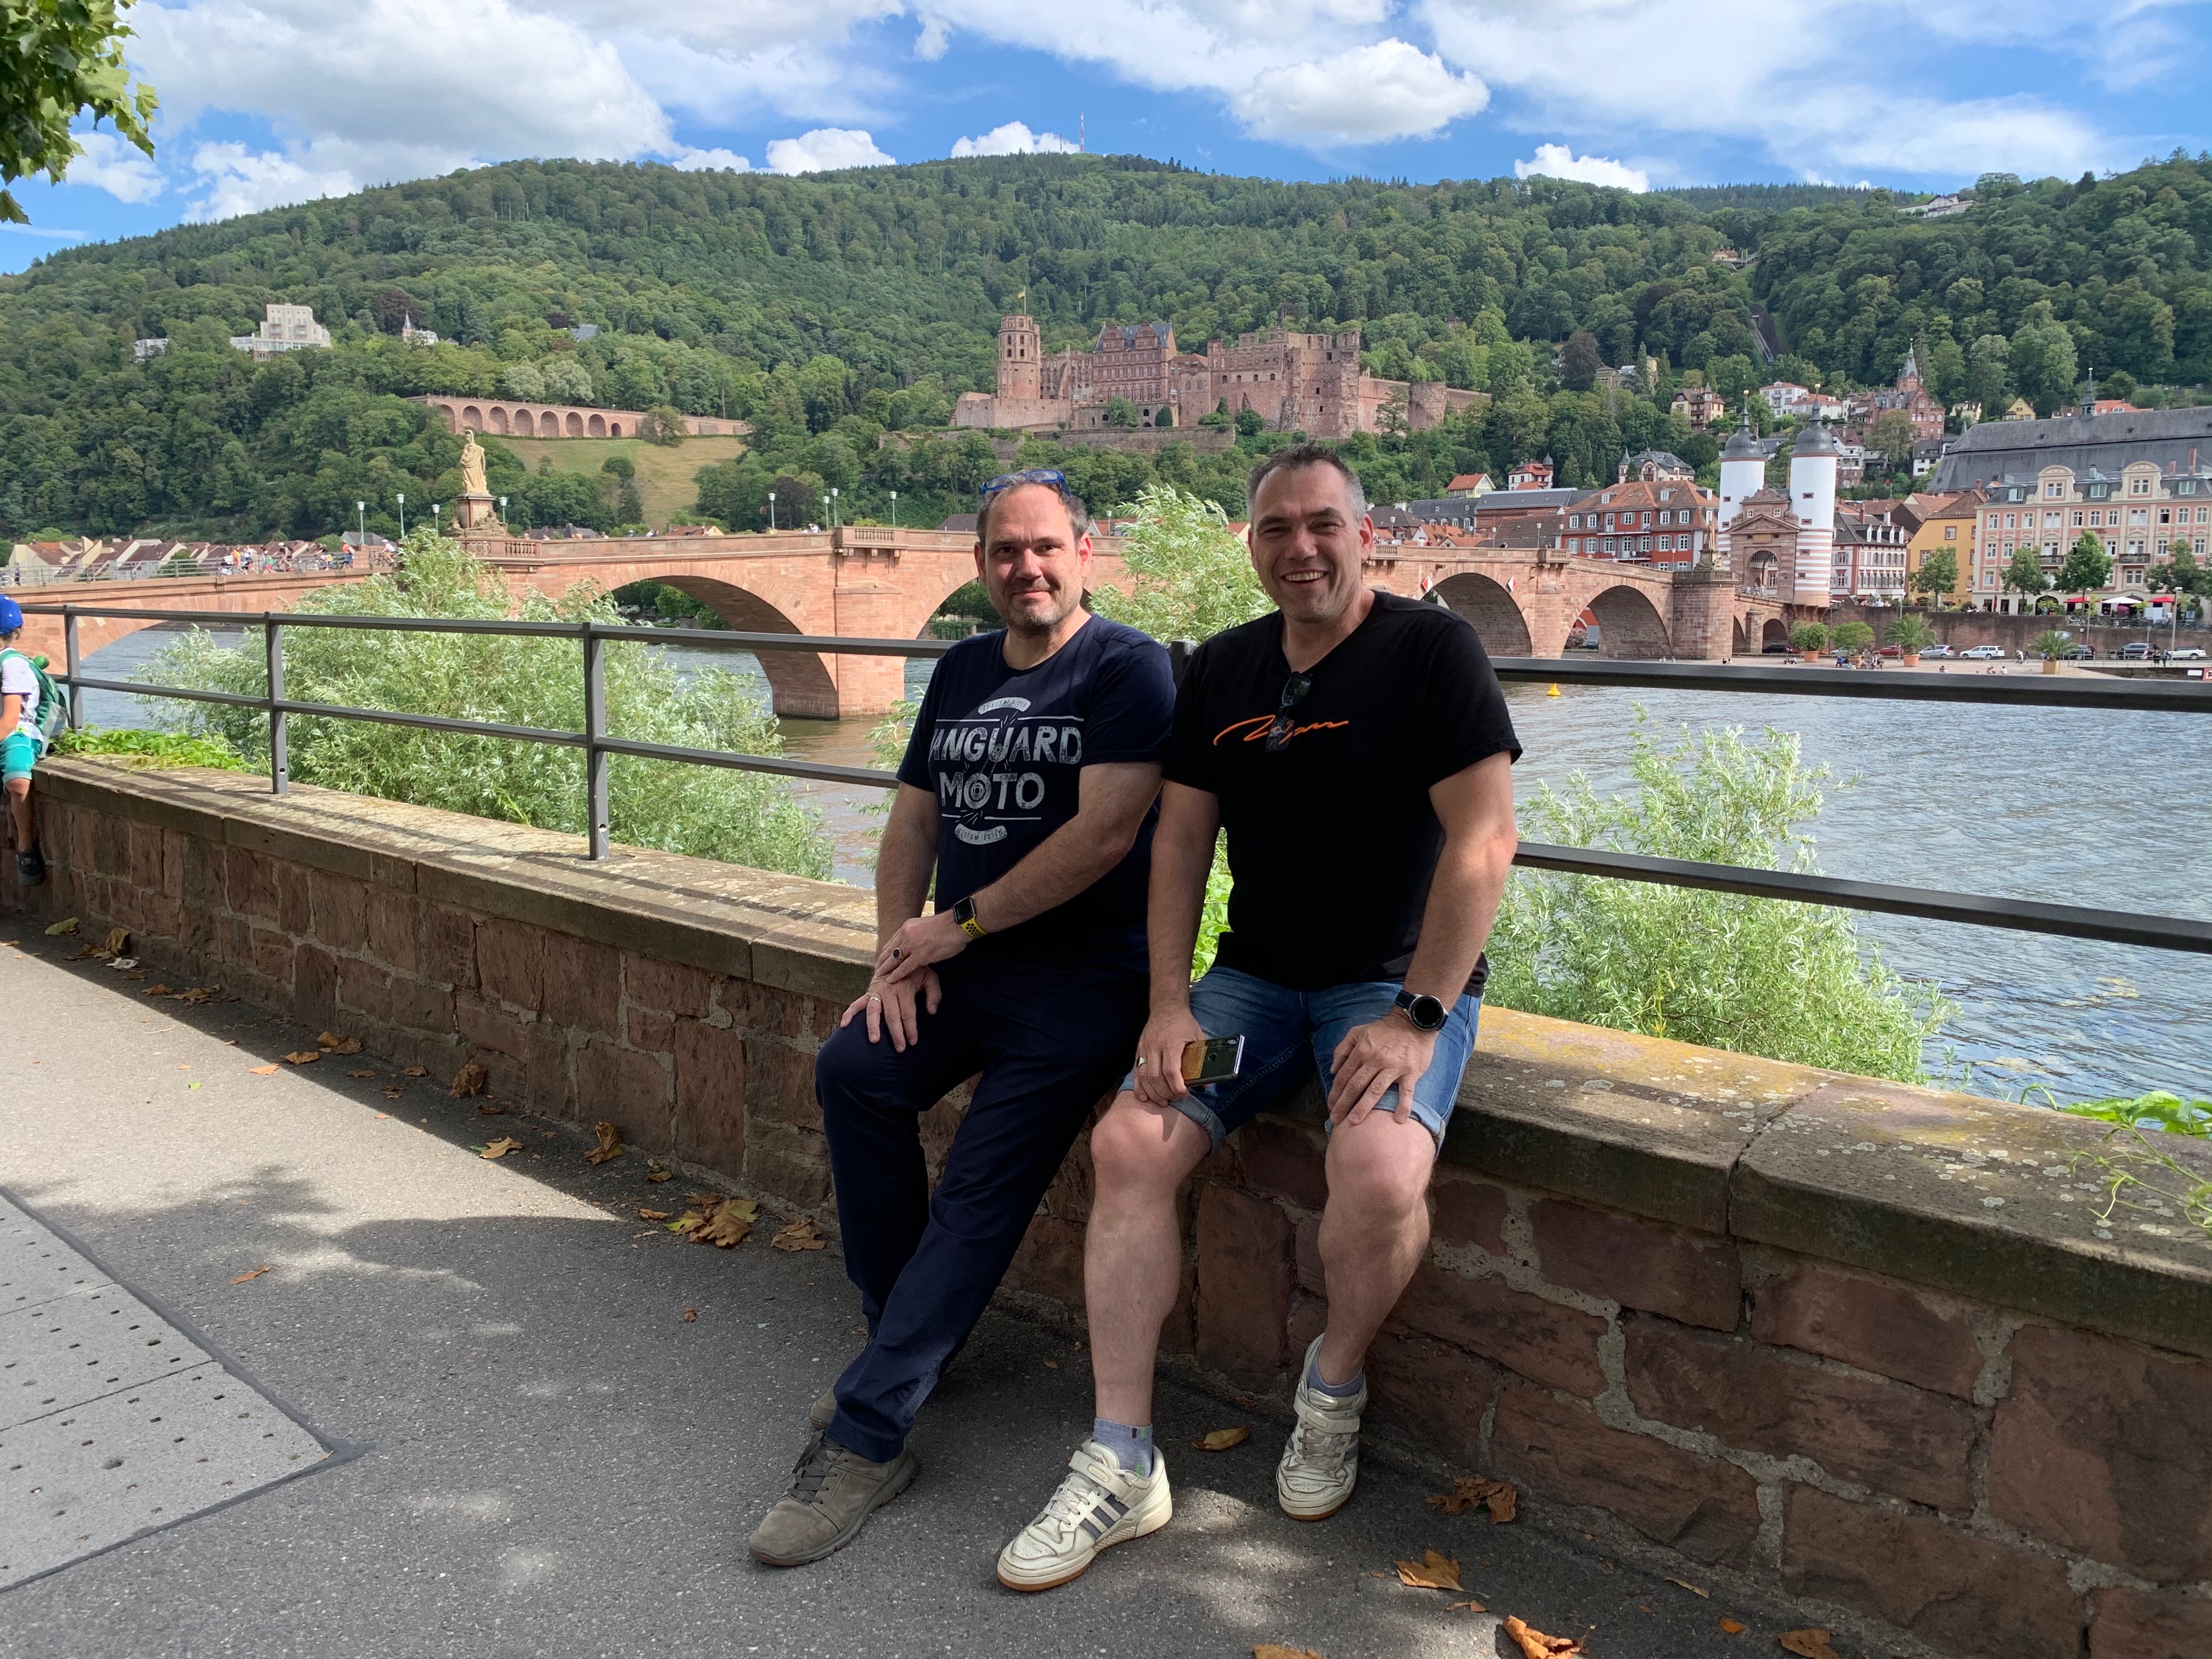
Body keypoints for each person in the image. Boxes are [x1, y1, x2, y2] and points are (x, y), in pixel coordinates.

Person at [997, 444, 1521, 1592]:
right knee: (1131, 1141)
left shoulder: (1434, 651)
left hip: (1388, 989)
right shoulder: (1226, 672)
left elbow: (1485, 841)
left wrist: (1422, 1011)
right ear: (1253, 545)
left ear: (1365, 535)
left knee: (1381, 1173)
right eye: (1278, 528)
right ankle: (1122, 1457)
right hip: (1252, 993)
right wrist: (1170, 1001)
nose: (1302, 548)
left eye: (1323, 524)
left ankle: (1332, 1386)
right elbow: (1180, 840)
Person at [747, 470, 1176, 1568]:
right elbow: (910, 825)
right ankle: (904, 1345)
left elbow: (1107, 836)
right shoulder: (961, 671)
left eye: (1046, 548)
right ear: (982, 563)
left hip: (1083, 984)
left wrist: (962, 925)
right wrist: (898, 954)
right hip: (964, 966)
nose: (1026, 568)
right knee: (856, 1072)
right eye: (1004, 552)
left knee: (983, 1186)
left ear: (1087, 551)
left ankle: (870, 1433)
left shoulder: (1130, 670)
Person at [0, 597, 49, 886]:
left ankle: (25, 846)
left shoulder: (13, 665)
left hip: (19, 732)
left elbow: (9, 720)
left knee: (19, 779)